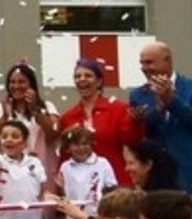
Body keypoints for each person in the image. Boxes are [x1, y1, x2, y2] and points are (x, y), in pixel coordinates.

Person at [128, 41, 192, 191]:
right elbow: (144, 131)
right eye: (142, 63)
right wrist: (158, 110)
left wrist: (171, 100)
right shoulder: (138, 95)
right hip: (160, 179)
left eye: (149, 62)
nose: (144, 68)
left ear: (167, 60)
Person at [58, 56, 140, 187]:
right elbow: (65, 155)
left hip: (114, 181)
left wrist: (136, 122)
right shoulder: (67, 117)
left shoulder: (118, 109)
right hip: (79, 186)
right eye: (77, 76)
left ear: (99, 82)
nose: (82, 79)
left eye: (88, 76)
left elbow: (132, 141)